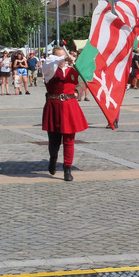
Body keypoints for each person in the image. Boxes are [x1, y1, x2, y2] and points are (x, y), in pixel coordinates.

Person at [41, 46, 88, 181]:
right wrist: (64, 58)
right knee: (54, 140)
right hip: (54, 105)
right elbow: (50, 63)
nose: (63, 60)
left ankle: (67, 168)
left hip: (69, 105)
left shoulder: (72, 70)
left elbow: (82, 82)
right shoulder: (49, 69)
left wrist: (77, 92)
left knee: (69, 139)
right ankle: (53, 158)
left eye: (64, 57)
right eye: (59, 57)